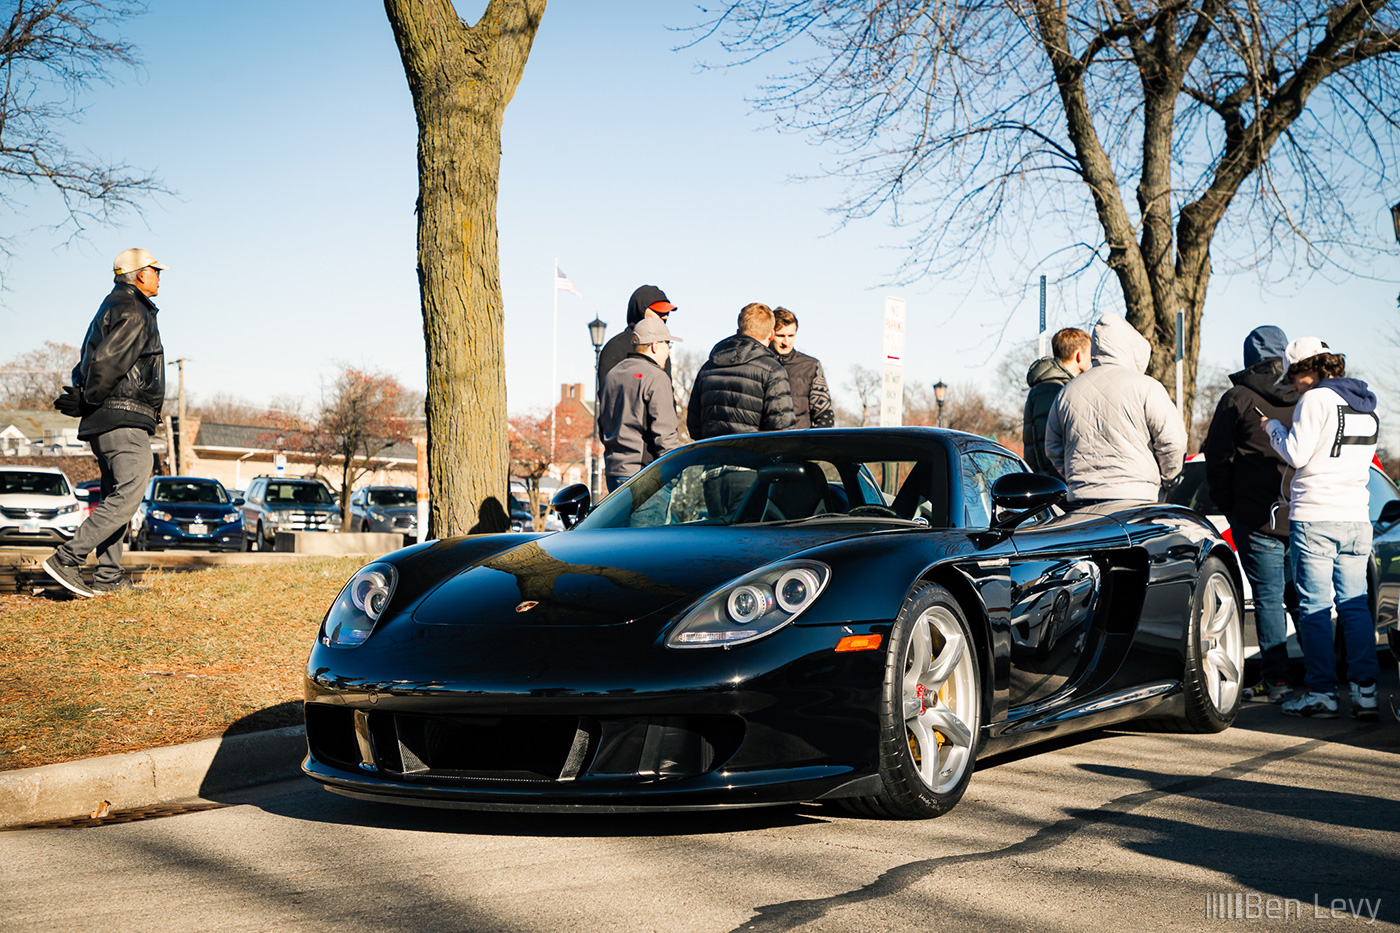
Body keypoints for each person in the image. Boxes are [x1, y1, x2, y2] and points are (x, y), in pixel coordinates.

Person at [1262, 337, 1381, 721]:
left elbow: (1296, 454)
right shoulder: (1366, 403)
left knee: (1314, 607)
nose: (1293, 386)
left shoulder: (1314, 400)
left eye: (1293, 377)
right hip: (1356, 517)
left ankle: (1322, 694)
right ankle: (1366, 694)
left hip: (1316, 515)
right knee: (1355, 607)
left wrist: (1274, 429)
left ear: (1305, 371)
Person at [45, 248, 169, 598]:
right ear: (139, 275)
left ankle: (109, 576)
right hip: (122, 418)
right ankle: (66, 559)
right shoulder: (135, 310)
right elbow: (107, 362)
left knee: (117, 497)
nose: (160, 277)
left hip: (106, 418)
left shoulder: (110, 305)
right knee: (129, 494)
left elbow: (89, 360)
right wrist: (90, 396)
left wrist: (86, 398)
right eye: (156, 271)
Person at [1203, 326, 1300, 703]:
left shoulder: (1237, 398)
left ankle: (1277, 682)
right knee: (1305, 599)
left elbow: (1218, 459)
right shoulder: (1305, 395)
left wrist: (1230, 507)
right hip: (1302, 513)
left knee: (1268, 600)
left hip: (1255, 517)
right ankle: (1324, 681)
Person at [1044, 312, 1186, 505]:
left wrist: (1076, 477)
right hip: (1137, 496)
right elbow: (1173, 441)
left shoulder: (1067, 392)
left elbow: (1053, 447)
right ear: (1132, 348)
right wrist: (1168, 480)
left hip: (1081, 499)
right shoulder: (1147, 387)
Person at [687, 302, 796, 440]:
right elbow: (781, 429)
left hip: (711, 455)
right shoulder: (773, 370)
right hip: (753, 457)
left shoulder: (708, 367)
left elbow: (694, 426)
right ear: (771, 335)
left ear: (738, 331)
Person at [600, 318, 683, 492]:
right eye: (668, 344)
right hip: (644, 474)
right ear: (654, 346)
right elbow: (665, 434)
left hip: (614, 472)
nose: (668, 351)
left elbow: (603, 424)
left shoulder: (612, 375)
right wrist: (674, 473)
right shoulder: (656, 377)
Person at [596, 284, 675, 437]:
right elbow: (608, 401)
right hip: (627, 443)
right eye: (659, 311)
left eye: (667, 312)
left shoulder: (661, 348)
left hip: (659, 441)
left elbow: (667, 399)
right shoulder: (615, 348)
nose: (665, 316)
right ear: (640, 310)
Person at [1022, 327, 1091, 478]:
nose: (1091, 359)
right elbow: (1046, 446)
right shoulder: (1051, 389)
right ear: (1079, 355)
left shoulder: (1059, 386)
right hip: (1052, 487)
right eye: (1089, 353)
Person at [770, 307, 834, 429]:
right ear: (771, 334)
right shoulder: (759, 364)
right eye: (781, 335)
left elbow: (824, 414)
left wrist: (815, 445)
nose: (786, 341)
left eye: (791, 335)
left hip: (800, 441)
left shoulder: (810, 366)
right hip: (767, 442)